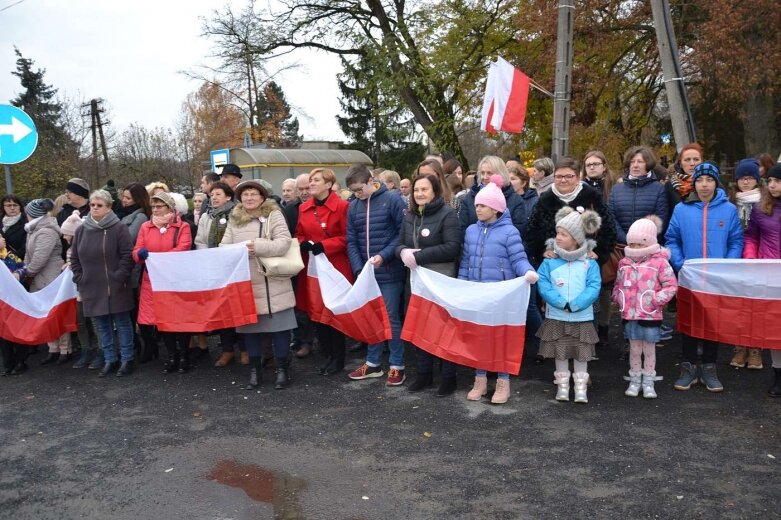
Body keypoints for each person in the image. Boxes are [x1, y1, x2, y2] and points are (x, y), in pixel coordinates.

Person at [665, 162, 743, 392]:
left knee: (712, 322)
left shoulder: (728, 209)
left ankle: (709, 367)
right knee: (689, 322)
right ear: (694, 183)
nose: (704, 184)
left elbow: (736, 240)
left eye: (709, 180)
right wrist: (681, 264)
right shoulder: (682, 209)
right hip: (690, 277)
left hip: (716, 279)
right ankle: (688, 367)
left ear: (716, 182)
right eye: (700, 180)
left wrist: (726, 266)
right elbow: (672, 239)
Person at [460, 177, 538, 404]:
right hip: (479, 294)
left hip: (502, 295)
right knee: (480, 337)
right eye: (476, 205)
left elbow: (519, 259)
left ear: (495, 208)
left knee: (502, 338)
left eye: (482, 205)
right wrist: (463, 284)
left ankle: (504, 382)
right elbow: (466, 261)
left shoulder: (509, 232)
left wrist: (527, 272)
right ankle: (480, 379)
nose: (477, 209)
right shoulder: (471, 232)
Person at [221, 180, 298, 390]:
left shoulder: (274, 215)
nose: (249, 198)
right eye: (245, 195)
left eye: (253, 194)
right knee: (250, 329)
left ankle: (282, 369)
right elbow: (224, 246)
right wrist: (236, 250)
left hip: (273, 281)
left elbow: (284, 242)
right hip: (246, 282)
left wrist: (257, 247)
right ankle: (255, 370)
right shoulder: (234, 219)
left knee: (280, 328)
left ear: (262, 197)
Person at [397, 174, 463, 396]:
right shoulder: (409, 216)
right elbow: (400, 244)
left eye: (424, 189)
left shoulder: (448, 214)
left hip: (441, 280)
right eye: (416, 190)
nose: (419, 194)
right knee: (420, 326)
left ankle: (448, 377)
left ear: (435, 191)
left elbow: (453, 247)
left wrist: (420, 255)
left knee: (443, 328)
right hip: (416, 282)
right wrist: (402, 251)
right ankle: (424, 375)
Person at [345, 164, 407, 385]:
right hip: (366, 275)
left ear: (371, 180)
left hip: (389, 271)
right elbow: (351, 240)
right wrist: (359, 269)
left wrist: (384, 256)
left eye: (359, 189)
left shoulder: (392, 200)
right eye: (353, 191)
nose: (357, 194)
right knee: (371, 318)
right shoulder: (353, 207)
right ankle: (372, 364)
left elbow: (402, 234)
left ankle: (397, 365)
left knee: (391, 318)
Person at [536, 207, 602, 404]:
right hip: (557, 315)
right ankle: (562, 386)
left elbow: (594, 286)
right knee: (560, 351)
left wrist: (577, 305)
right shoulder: (550, 261)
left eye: (563, 234)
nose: (558, 237)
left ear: (576, 238)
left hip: (581, 316)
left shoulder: (589, 263)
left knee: (581, 353)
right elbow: (543, 283)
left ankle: (581, 387)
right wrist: (559, 302)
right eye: (557, 233)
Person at [70, 190, 136, 377]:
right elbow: (74, 258)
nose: (95, 208)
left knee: (122, 323)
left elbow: (127, 255)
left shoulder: (119, 228)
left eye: (99, 205)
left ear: (108, 207)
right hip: (91, 285)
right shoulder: (81, 230)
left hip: (115, 285)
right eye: (92, 205)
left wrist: (119, 276)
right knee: (102, 324)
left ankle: (127, 359)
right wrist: (80, 277)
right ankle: (109, 358)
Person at [612, 217, 677, 398]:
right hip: (630, 314)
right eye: (631, 243)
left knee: (649, 349)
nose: (635, 248)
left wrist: (656, 300)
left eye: (640, 244)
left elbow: (671, 286)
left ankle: (648, 381)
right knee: (634, 348)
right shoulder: (624, 263)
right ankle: (634, 380)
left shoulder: (660, 263)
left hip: (650, 314)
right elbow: (618, 284)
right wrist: (618, 298)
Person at [295, 168, 351, 375]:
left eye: (316, 180)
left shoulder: (343, 206)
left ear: (328, 184)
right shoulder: (304, 208)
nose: (311, 183)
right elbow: (299, 233)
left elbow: (347, 237)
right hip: (313, 267)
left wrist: (325, 245)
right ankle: (327, 355)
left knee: (333, 312)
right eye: (310, 180)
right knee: (316, 311)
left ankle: (338, 358)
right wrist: (302, 243)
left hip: (335, 266)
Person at [133, 192, 193, 373]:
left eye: (160, 206)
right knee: (163, 320)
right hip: (153, 281)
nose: (156, 210)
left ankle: (184, 356)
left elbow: (183, 248)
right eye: (153, 207)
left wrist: (159, 260)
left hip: (175, 280)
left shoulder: (182, 227)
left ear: (169, 207)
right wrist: (140, 255)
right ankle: (172, 355)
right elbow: (137, 249)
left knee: (179, 319)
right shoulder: (146, 227)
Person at [524, 157, 617, 268]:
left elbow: (609, 228)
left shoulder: (592, 197)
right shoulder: (544, 200)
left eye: (569, 176)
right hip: (553, 265)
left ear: (577, 178)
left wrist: (599, 253)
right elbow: (532, 231)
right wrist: (541, 252)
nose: (563, 180)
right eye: (559, 176)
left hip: (585, 265)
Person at [195, 181, 245, 367]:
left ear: (228, 196)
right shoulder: (206, 217)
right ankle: (227, 350)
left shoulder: (238, 214)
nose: (213, 198)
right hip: (215, 268)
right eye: (212, 195)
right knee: (223, 310)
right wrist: (209, 256)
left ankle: (245, 349)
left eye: (218, 194)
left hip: (234, 268)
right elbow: (200, 240)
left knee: (239, 309)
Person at [742, 163, 781, 396]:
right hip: (770, 274)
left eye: (777, 181)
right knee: (776, 329)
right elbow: (751, 237)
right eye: (771, 181)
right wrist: (750, 260)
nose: (773, 185)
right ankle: (778, 375)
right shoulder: (760, 208)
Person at [24, 198, 70, 364]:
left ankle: (65, 349)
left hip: (50, 276)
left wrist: (26, 272)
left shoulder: (47, 231)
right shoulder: (33, 230)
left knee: (56, 313)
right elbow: (28, 255)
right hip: (39, 277)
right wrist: (25, 268)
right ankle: (53, 348)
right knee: (45, 313)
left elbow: (40, 258)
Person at [729, 158, 764, 370]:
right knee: (738, 305)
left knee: (756, 304)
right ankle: (739, 346)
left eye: (750, 177)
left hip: (759, 258)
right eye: (742, 178)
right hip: (735, 258)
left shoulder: (765, 202)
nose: (746, 181)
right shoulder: (730, 202)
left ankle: (755, 348)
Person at [60, 210, 102, 370]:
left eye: (66, 234)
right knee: (80, 322)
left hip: (88, 290)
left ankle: (101, 350)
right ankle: (86, 349)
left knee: (94, 322)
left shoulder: (85, 247)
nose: (64, 237)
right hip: (75, 292)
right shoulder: (69, 250)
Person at [283, 172, 315, 359]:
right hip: (298, 264)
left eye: (307, 188)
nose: (304, 192)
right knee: (300, 307)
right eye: (300, 189)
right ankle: (305, 341)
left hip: (321, 260)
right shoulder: (289, 210)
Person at [0, 237, 28, 375]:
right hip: (2, 301)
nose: (3, 239)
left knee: (18, 329)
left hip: (16, 300)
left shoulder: (11, 255)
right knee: (3, 333)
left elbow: (24, 267)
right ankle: (8, 364)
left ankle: (20, 361)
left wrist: (18, 273)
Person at [1, 194, 27, 259]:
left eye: (15, 205)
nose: (12, 208)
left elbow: (25, 247)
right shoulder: (0, 220)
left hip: (18, 261)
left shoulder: (26, 222)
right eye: (8, 205)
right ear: (3, 207)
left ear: (20, 206)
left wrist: (10, 257)